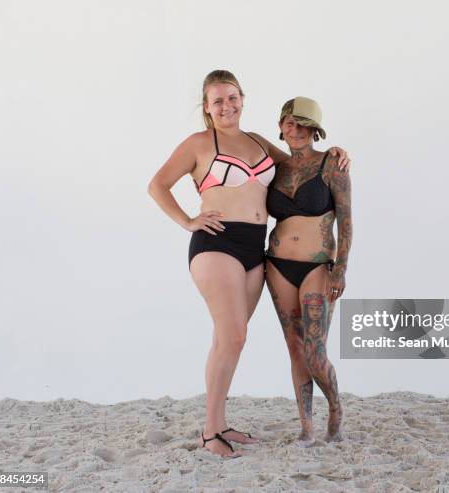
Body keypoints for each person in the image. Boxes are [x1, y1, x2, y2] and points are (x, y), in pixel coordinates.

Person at [147, 71, 350, 457]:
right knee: (233, 335)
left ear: (243, 98)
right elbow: (157, 185)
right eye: (217, 101)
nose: (227, 106)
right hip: (216, 243)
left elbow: (299, 163)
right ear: (206, 107)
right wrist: (189, 220)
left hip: (256, 251)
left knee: (231, 341)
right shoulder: (198, 143)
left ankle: (221, 423)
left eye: (232, 97)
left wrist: (336, 151)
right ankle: (210, 433)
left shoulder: (258, 142)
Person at [265, 97, 352, 445]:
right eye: (289, 122)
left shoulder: (331, 164)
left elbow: (346, 223)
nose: (295, 129)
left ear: (315, 130)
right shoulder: (274, 166)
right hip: (278, 266)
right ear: (281, 126)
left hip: (318, 266)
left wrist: (340, 269)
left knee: (316, 352)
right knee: (295, 347)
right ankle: (306, 427)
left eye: (302, 124)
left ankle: (335, 406)